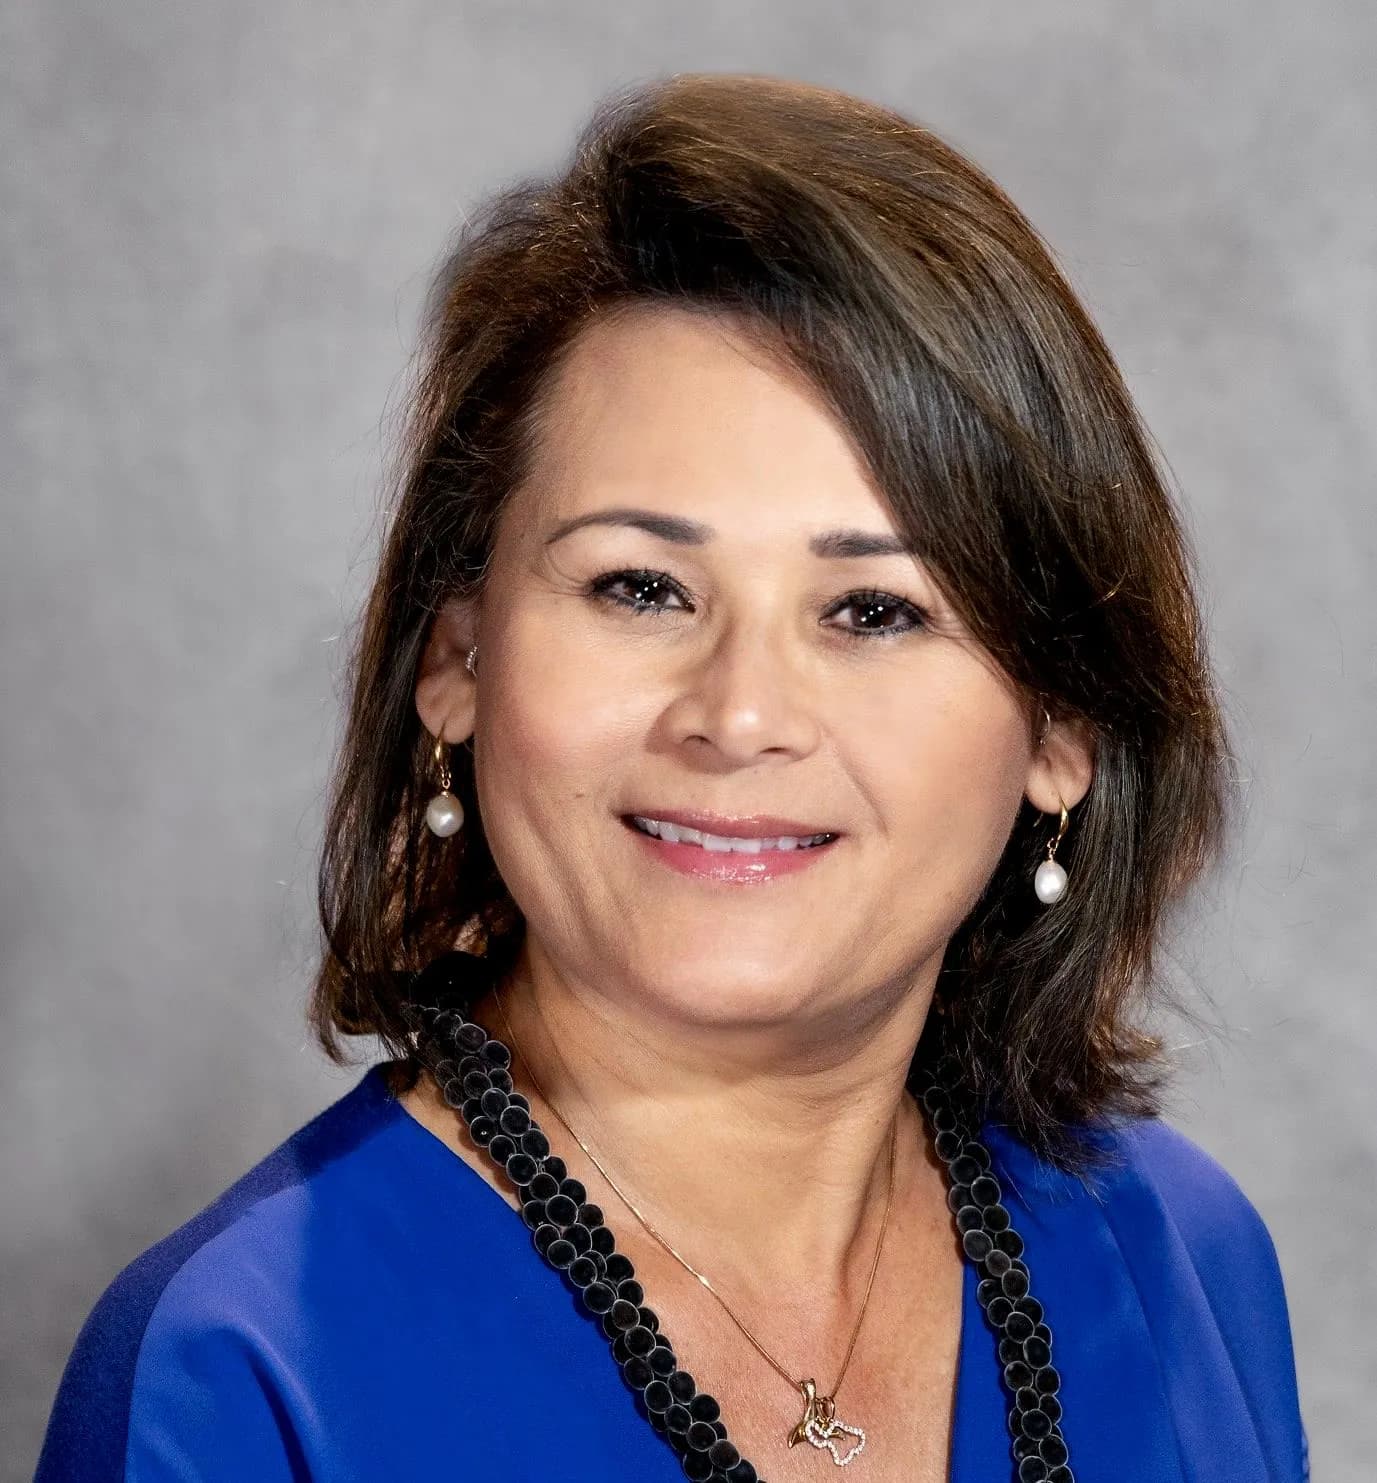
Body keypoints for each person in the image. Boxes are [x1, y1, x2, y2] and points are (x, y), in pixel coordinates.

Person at [36, 73, 1308, 1483]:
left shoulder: (1179, 1256)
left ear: (1060, 728)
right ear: (455, 659)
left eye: (873, 611)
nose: (739, 713)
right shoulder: (231, 1372)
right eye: (638, 586)